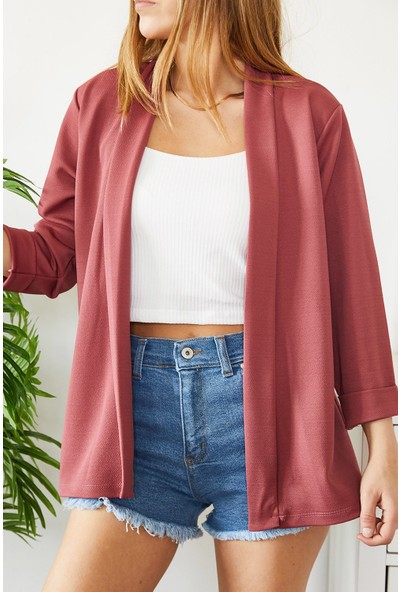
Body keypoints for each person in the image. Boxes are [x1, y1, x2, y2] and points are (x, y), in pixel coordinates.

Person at [4, 1, 398, 591]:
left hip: (274, 416)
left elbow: (353, 282)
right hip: (132, 416)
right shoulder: (101, 104)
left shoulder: (309, 114)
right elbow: (59, 253)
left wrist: (382, 442)